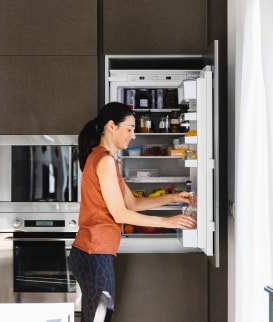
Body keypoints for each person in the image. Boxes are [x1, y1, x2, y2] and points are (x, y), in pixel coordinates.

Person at [69, 102, 196, 322]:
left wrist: (172, 197)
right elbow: (120, 215)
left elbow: (132, 204)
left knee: (96, 318)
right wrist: (171, 222)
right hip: (94, 253)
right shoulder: (104, 160)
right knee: (100, 318)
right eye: (129, 128)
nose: (133, 135)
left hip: (91, 253)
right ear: (111, 126)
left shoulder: (103, 159)